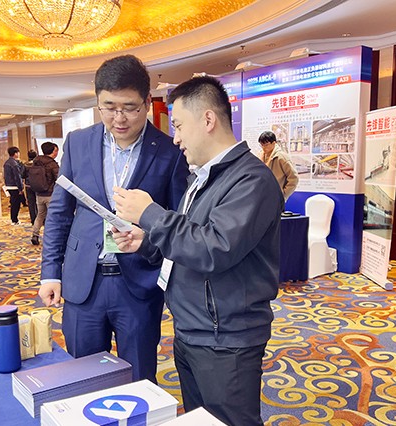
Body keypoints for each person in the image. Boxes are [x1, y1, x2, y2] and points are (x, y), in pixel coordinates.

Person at [112, 76, 284, 425]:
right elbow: (191, 243)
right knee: (200, 420)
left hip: (226, 336)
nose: (175, 138)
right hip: (193, 327)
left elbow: (214, 249)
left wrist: (149, 214)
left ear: (207, 120)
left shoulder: (251, 180)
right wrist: (146, 242)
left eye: (178, 126)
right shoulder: (204, 177)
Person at [37, 54, 189, 384]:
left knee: (139, 377)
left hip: (137, 284)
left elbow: (177, 222)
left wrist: (147, 242)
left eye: (129, 107)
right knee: (83, 377)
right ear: (98, 102)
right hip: (83, 282)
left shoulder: (170, 152)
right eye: (109, 107)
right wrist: (50, 272)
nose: (119, 118)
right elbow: (60, 213)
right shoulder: (78, 143)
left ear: (147, 103)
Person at [30, 142, 59, 245]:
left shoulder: (36, 162)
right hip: (50, 194)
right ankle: (50, 237)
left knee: (40, 215)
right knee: (52, 216)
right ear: (53, 151)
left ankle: (35, 234)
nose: (57, 153)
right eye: (56, 150)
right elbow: (58, 178)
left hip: (39, 194)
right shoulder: (52, 164)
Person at [258, 130, 299, 200]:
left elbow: (294, 178)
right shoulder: (260, 155)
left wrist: (283, 195)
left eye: (266, 144)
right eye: (261, 145)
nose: (263, 147)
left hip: (276, 197)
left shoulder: (281, 157)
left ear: (274, 143)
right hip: (263, 196)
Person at [3, 146, 24, 225]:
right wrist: (20, 188)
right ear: (15, 153)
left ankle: (14, 219)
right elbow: (17, 177)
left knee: (13, 203)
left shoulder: (7, 163)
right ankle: (14, 220)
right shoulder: (14, 164)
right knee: (16, 204)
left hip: (9, 185)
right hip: (15, 186)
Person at [23, 150, 38, 224]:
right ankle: (40, 219)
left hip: (28, 185)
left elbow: (22, 175)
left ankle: (33, 219)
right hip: (37, 185)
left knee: (31, 203)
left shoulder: (25, 165)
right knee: (38, 202)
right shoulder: (38, 164)